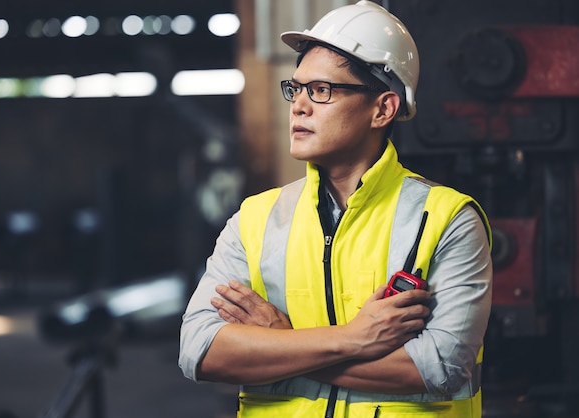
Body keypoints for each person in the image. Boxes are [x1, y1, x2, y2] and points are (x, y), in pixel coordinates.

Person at [178, 1, 493, 417]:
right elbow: (199, 351)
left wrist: (282, 342)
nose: (299, 106)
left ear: (383, 108)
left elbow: (441, 365)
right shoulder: (255, 220)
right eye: (296, 88)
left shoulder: (447, 220)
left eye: (322, 90)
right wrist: (353, 339)